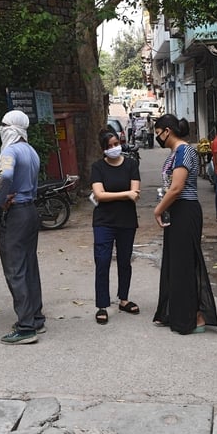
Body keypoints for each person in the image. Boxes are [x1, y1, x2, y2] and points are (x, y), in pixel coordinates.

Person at [152, 114, 217, 335]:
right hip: (176, 211)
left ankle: (195, 316)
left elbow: (177, 187)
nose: (157, 137)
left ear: (166, 131)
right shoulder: (175, 153)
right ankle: (176, 312)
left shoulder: (185, 151)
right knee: (176, 263)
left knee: (185, 263)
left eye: (158, 133)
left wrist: (158, 209)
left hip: (185, 210)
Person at [0, 110, 45, 344]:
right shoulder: (31, 151)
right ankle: (36, 317)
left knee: (15, 268)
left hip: (16, 213)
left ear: (10, 127)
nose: (1, 129)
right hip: (31, 210)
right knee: (29, 264)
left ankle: (25, 328)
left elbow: (6, 174)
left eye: (3, 125)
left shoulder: (10, 150)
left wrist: (1, 200)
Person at [90, 129, 141, 325]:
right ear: (103, 149)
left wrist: (127, 194)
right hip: (103, 221)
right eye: (109, 146)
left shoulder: (131, 164)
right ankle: (102, 305)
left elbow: (136, 193)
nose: (114, 148)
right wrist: (125, 194)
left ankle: (124, 299)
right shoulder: (98, 168)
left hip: (127, 221)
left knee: (124, 260)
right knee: (102, 261)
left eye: (115, 144)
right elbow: (99, 195)